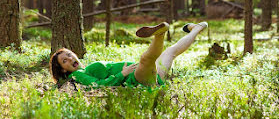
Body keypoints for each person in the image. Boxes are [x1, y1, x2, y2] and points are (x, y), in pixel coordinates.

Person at [49, 22, 208, 89]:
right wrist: (122, 74)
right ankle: (160, 34)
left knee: (170, 52)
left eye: (69, 55)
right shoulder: (78, 75)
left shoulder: (85, 69)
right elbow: (98, 86)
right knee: (147, 59)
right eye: (65, 60)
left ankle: (198, 28)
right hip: (137, 78)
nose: (70, 59)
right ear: (63, 70)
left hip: (149, 75)